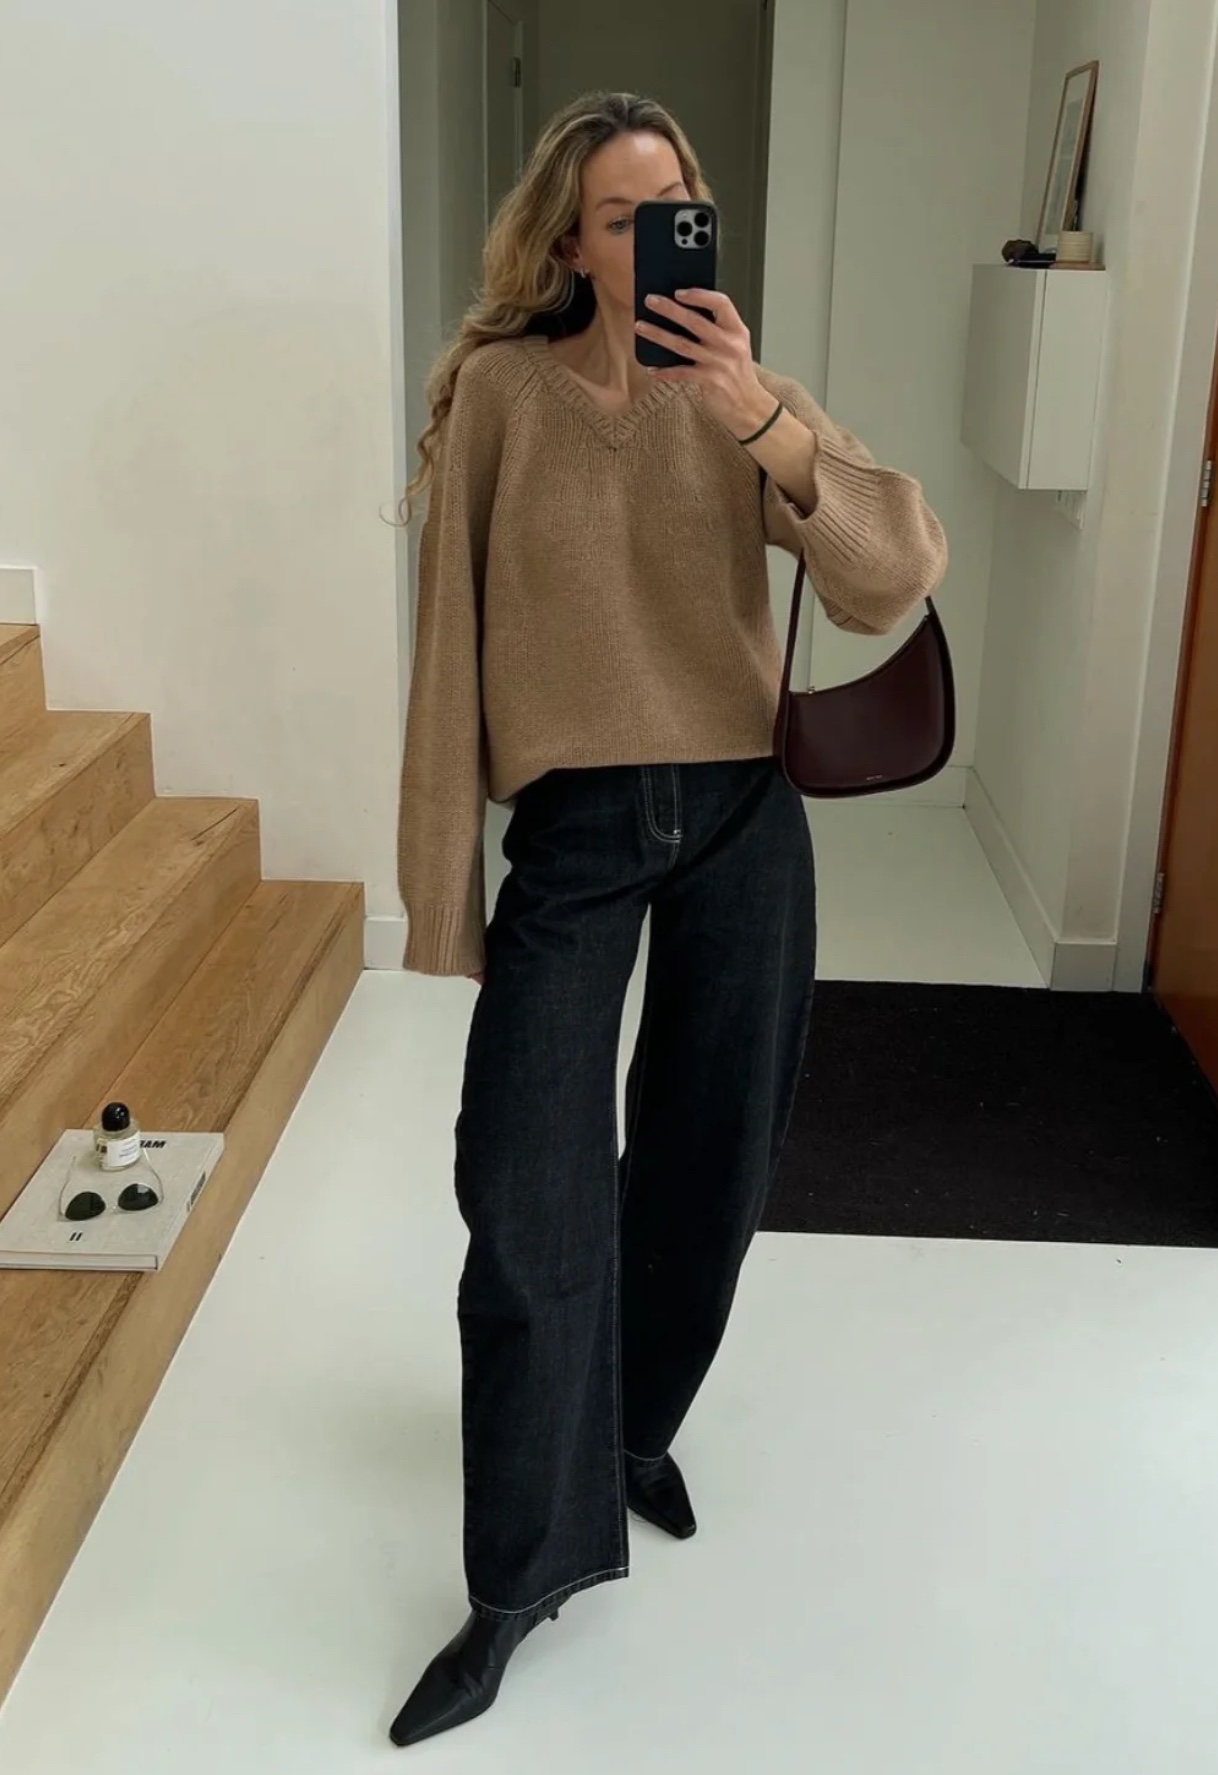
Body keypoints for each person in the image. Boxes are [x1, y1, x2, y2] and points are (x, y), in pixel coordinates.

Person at [388, 91, 947, 1748]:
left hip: (740, 821)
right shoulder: (498, 398)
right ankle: (518, 1578)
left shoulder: (735, 393)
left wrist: (759, 414)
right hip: (574, 833)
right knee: (525, 1190)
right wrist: (443, 891)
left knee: (711, 1159)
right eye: (624, 213)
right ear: (569, 241)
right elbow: (445, 653)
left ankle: (631, 1431)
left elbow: (892, 571)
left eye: (676, 200)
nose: (655, 233)